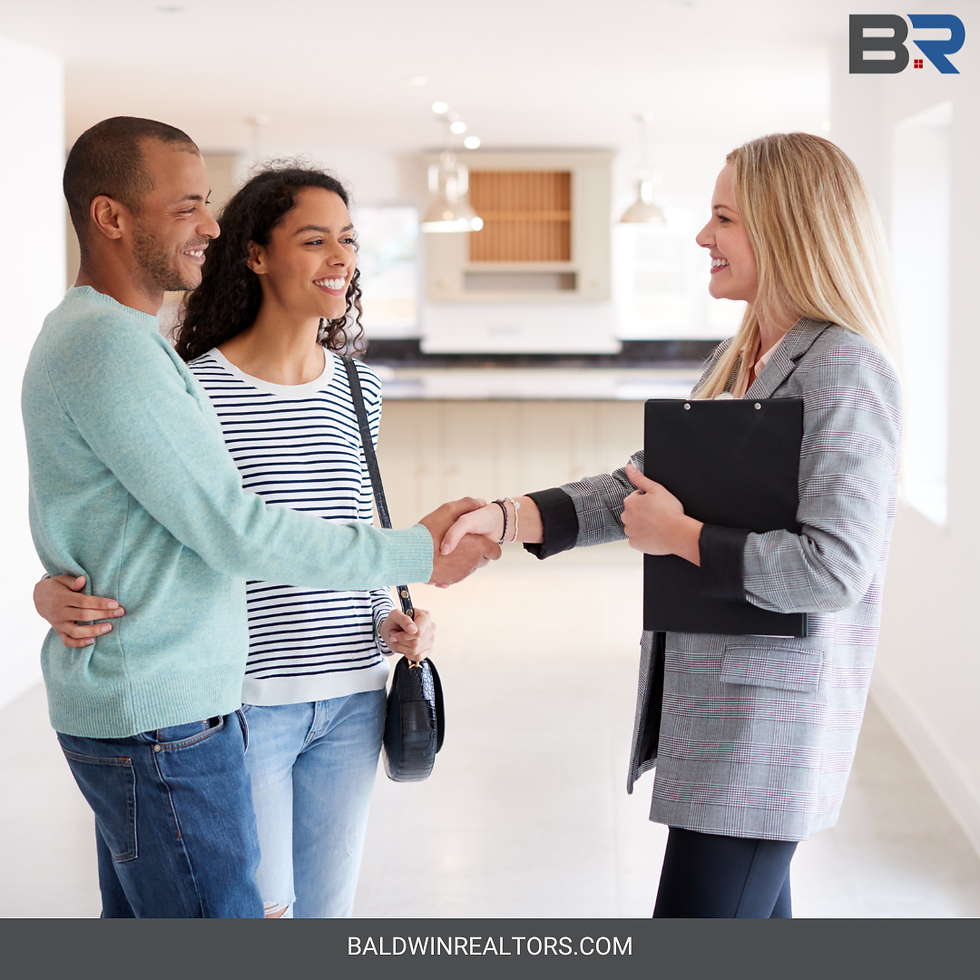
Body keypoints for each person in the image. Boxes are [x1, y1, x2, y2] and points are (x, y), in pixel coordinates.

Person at [23, 117, 497, 918]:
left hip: (321, 688)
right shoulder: (135, 356)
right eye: (188, 206)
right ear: (112, 216)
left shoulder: (138, 348)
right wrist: (412, 551)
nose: (209, 222)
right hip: (207, 702)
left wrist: (391, 606)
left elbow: (119, 512)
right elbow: (231, 528)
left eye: (347, 239)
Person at [442, 132, 902, 918]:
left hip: (767, 730)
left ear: (784, 227)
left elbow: (833, 571)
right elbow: (638, 487)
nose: (701, 237)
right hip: (719, 714)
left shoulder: (845, 370)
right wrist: (510, 516)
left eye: (723, 217)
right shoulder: (743, 357)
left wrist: (683, 538)